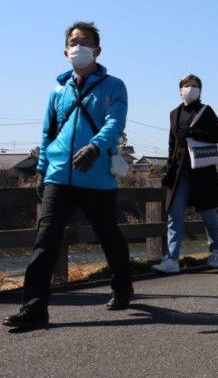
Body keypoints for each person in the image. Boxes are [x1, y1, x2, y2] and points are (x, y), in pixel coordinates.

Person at [4, 22, 133, 330]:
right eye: (74, 42)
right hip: (59, 176)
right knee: (45, 240)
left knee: (109, 236)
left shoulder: (114, 86)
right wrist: (41, 168)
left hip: (97, 177)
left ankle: (122, 286)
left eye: (86, 42)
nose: (79, 47)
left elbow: (115, 124)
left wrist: (96, 146)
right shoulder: (57, 89)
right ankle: (34, 308)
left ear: (97, 50)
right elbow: (47, 131)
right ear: (65, 51)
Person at [151, 74, 218, 274]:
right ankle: (172, 259)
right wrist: (169, 166)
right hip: (179, 172)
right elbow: (172, 143)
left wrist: (195, 133)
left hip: (202, 171)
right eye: (187, 85)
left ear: (200, 90)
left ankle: (217, 252)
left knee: (209, 214)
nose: (190, 89)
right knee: (174, 215)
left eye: (195, 86)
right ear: (180, 89)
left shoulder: (205, 111)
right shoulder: (174, 114)